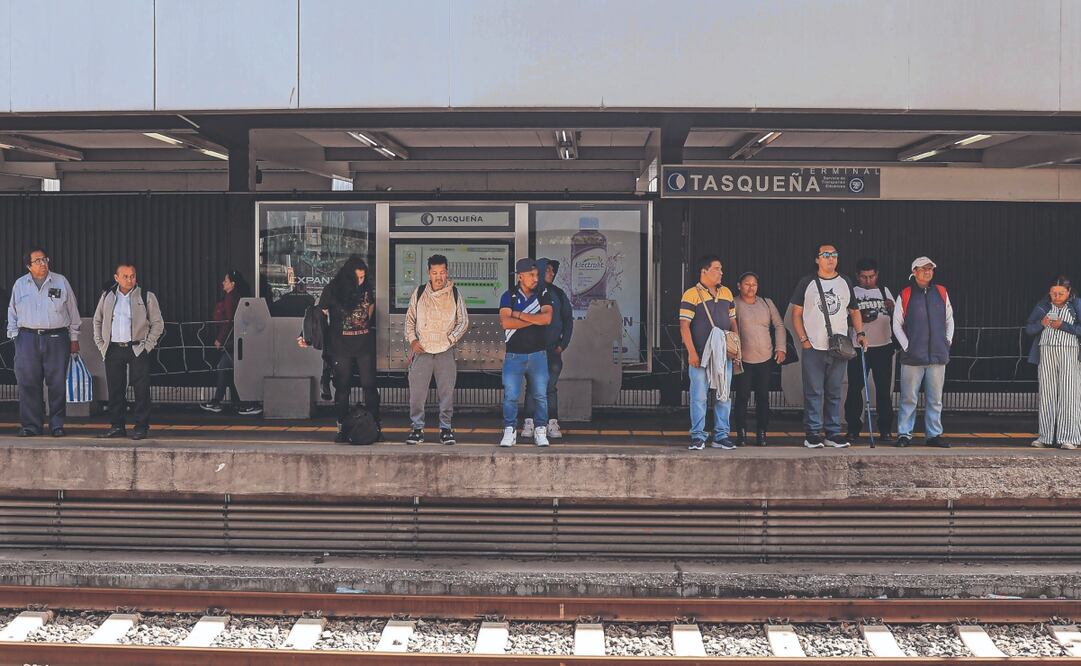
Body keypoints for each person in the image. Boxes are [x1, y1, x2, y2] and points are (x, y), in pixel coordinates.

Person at [790, 244, 866, 449]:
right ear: (817, 259)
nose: (830, 258)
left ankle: (832, 433)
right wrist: (804, 339)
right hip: (814, 346)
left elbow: (854, 310)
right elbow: (795, 314)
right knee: (814, 391)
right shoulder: (807, 283)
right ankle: (813, 433)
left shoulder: (845, 282)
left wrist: (860, 333)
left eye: (834, 255)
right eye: (825, 255)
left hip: (839, 346)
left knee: (834, 390)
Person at [300, 255, 382, 443]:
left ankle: (375, 426)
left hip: (364, 345)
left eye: (363, 278)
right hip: (340, 346)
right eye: (357, 278)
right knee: (342, 387)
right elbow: (317, 315)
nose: (360, 282)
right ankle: (342, 429)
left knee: (370, 385)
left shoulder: (367, 288)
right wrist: (305, 335)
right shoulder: (332, 290)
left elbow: (370, 310)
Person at [6, 247, 81, 437]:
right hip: (27, 338)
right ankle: (31, 426)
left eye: (45, 259)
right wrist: (16, 336)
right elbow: (12, 312)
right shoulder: (20, 284)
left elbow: (73, 312)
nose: (43, 264)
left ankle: (57, 425)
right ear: (28, 266)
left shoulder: (61, 281)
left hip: (56, 338)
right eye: (38, 261)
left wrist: (74, 338)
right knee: (28, 383)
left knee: (56, 384)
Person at [92, 262, 165, 440]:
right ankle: (117, 426)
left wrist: (148, 346)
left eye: (132, 276)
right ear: (116, 278)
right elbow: (97, 321)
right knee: (115, 389)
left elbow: (158, 323)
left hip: (137, 348)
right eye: (125, 276)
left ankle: (141, 426)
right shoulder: (108, 296)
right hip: (113, 349)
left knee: (141, 389)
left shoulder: (146, 296)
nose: (130, 279)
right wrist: (102, 345)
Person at [404, 254, 469, 445]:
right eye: (435, 273)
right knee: (417, 394)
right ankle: (417, 429)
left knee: (446, 393)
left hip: (445, 352)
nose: (439, 276)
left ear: (447, 272)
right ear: (428, 273)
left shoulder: (455, 293)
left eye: (442, 272)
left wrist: (450, 339)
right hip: (422, 351)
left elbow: (463, 321)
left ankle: (446, 429)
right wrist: (413, 340)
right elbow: (410, 320)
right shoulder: (419, 292)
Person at [679, 255, 739, 451]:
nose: (721, 272)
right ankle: (698, 436)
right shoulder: (691, 294)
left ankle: (721, 435)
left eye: (721, 269)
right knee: (699, 396)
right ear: (704, 271)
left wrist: (736, 346)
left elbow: (733, 322)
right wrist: (691, 353)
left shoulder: (727, 293)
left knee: (724, 394)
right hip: (700, 355)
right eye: (717, 269)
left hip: (724, 355)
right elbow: (684, 326)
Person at [893, 256, 954, 448]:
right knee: (908, 397)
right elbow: (897, 324)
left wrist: (947, 341)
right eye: (923, 268)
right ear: (914, 272)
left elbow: (949, 320)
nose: (928, 271)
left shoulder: (942, 292)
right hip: (912, 357)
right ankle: (904, 434)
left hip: (937, 355)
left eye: (930, 269)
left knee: (935, 399)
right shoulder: (905, 294)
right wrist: (907, 347)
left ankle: (933, 435)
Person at [499, 258, 553, 448]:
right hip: (514, 355)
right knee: (510, 396)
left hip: (538, 354)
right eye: (531, 275)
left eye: (536, 274)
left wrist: (520, 315)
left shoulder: (543, 294)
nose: (535, 278)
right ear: (520, 276)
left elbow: (547, 319)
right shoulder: (509, 296)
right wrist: (534, 319)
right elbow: (506, 322)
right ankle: (509, 430)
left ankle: (540, 430)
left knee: (540, 395)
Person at [1025, 276, 1081, 449]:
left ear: (1068, 293)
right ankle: (1045, 436)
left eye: (1061, 294)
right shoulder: (1043, 306)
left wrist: (1063, 325)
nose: (1057, 297)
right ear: (1049, 292)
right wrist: (1042, 324)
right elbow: (1029, 329)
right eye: (1054, 293)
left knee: (1069, 394)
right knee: (1047, 394)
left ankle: (1069, 437)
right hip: (1046, 351)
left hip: (1069, 351)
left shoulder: (1076, 305)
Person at [844, 258, 897, 442]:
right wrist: (859, 321)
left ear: (877, 275)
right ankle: (853, 428)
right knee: (855, 388)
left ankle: (885, 429)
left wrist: (892, 308)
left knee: (883, 389)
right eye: (864, 277)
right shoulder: (852, 293)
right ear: (857, 276)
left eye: (871, 276)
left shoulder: (884, 291)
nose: (868, 280)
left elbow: (898, 318)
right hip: (859, 347)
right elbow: (844, 320)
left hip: (883, 346)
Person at [731, 271, 785, 447]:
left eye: (754, 284)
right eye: (747, 284)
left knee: (763, 397)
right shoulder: (733, 303)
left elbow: (779, 325)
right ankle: (741, 433)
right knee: (742, 396)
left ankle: (762, 433)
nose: (751, 287)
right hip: (743, 359)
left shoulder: (766, 303)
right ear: (739, 286)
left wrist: (780, 348)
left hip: (765, 357)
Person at [522, 258, 573, 440]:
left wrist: (562, 345)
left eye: (552, 270)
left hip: (552, 350)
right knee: (532, 387)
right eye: (548, 270)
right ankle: (530, 421)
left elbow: (568, 320)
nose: (551, 273)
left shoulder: (558, 294)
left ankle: (551, 422)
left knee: (550, 386)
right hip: (531, 350)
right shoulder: (528, 293)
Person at [200, 270, 262, 415]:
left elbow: (229, 321)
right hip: (235, 342)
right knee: (227, 370)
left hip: (232, 343)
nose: (223, 283)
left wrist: (219, 339)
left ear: (232, 284)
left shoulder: (230, 298)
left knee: (231, 370)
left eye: (226, 281)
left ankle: (245, 403)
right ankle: (234, 402)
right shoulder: (236, 297)